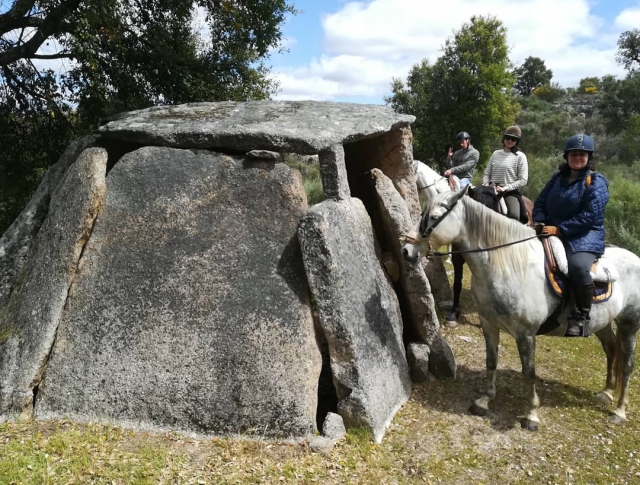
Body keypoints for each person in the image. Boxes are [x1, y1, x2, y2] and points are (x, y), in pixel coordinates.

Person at [532, 134, 609, 337]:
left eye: (582, 155)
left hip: (585, 235)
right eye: (574, 154)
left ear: (588, 157)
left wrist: (560, 230)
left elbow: (590, 216)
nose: (578, 158)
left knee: (577, 266)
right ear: (567, 156)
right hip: (553, 229)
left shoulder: (596, 181)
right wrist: (540, 221)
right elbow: (540, 202)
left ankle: (581, 317)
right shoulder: (557, 179)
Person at [483, 125, 529, 222]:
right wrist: (486, 183)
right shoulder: (496, 153)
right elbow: (487, 173)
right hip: (491, 190)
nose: (509, 141)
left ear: (517, 141)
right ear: (504, 138)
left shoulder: (520, 157)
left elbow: (523, 180)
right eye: (507, 138)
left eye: (513, 139)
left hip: (509, 192)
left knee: (514, 215)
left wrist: (505, 188)